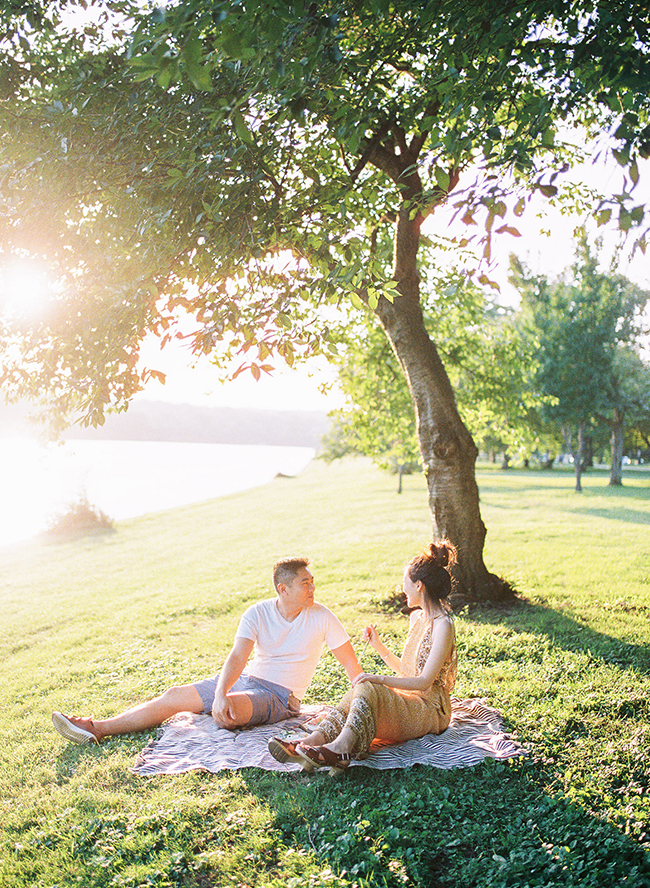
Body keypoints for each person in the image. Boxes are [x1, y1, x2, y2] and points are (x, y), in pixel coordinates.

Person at [52, 557, 361, 745]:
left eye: (312, 582)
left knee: (227, 715)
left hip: (280, 696)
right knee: (175, 694)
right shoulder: (257, 612)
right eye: (305, 583)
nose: (312, 588)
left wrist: (363, 702)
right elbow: (238, 656)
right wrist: (220, 692)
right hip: (246, 679)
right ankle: (96, 728)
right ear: (284, 589)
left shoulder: (322, 616)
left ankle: (218, 707)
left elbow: (352, 668)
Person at [268, 541, 457, 774]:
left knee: (369, 685)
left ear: (418, 586)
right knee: (362, 688)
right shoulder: (417, 618)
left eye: (405, 582)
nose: (403, 588)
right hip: (410, 701)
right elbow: (408, 670)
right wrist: (379, 647)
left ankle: (341, 748)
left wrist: (378, 679)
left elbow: (424, 682)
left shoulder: (443, 625)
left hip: (430, 711)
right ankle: (312, 743)